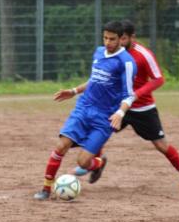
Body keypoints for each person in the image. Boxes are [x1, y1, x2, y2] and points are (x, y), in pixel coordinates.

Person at [73, 20, 179, 192]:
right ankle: (96, 164)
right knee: (99, 131)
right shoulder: (114, 53)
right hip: (118, 107)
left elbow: (159, 79)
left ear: (133, 37)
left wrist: (137, 94)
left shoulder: (143, 54)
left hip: (142, 108)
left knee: (161, 145)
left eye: (124, 39)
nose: (121, 43)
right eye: (119, 39)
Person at [34, 21, 137, 200]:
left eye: (112, 39)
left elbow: (129, 95)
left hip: (104, 118)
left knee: (82, 162)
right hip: (84, 108)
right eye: (105, 38)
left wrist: (120, 113)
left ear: (121, 39)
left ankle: (98, 162)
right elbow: (95, 80)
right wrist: (73, 91)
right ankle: (46, 188)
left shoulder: (126, 62)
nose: (107, 42)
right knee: (61, 146)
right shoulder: (98, 52)